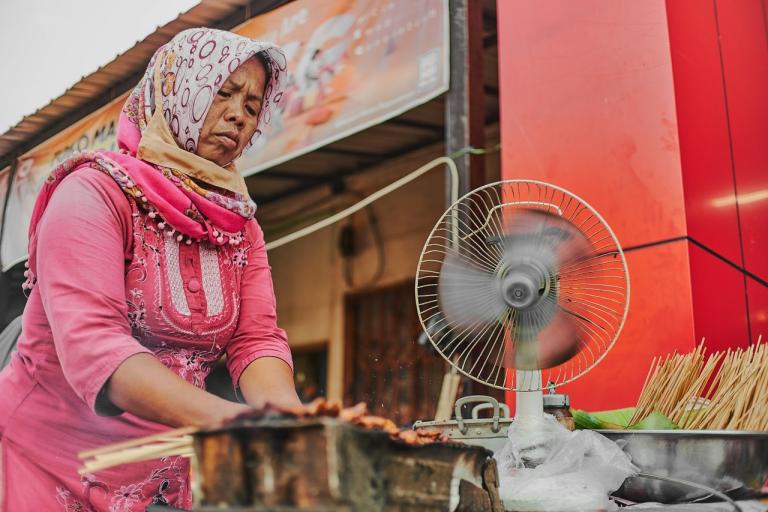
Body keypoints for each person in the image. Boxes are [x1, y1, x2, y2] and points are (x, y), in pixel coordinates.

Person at [0, 27, 301, 511]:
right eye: (222, 92)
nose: (237, 117)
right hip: (47, 463)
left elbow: (256, 338)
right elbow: (98, 348)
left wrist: (295, 423)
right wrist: (239, 425)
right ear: (175, 91)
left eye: (251, 106)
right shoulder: (94, 193)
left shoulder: (239, 225)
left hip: (158, 477)